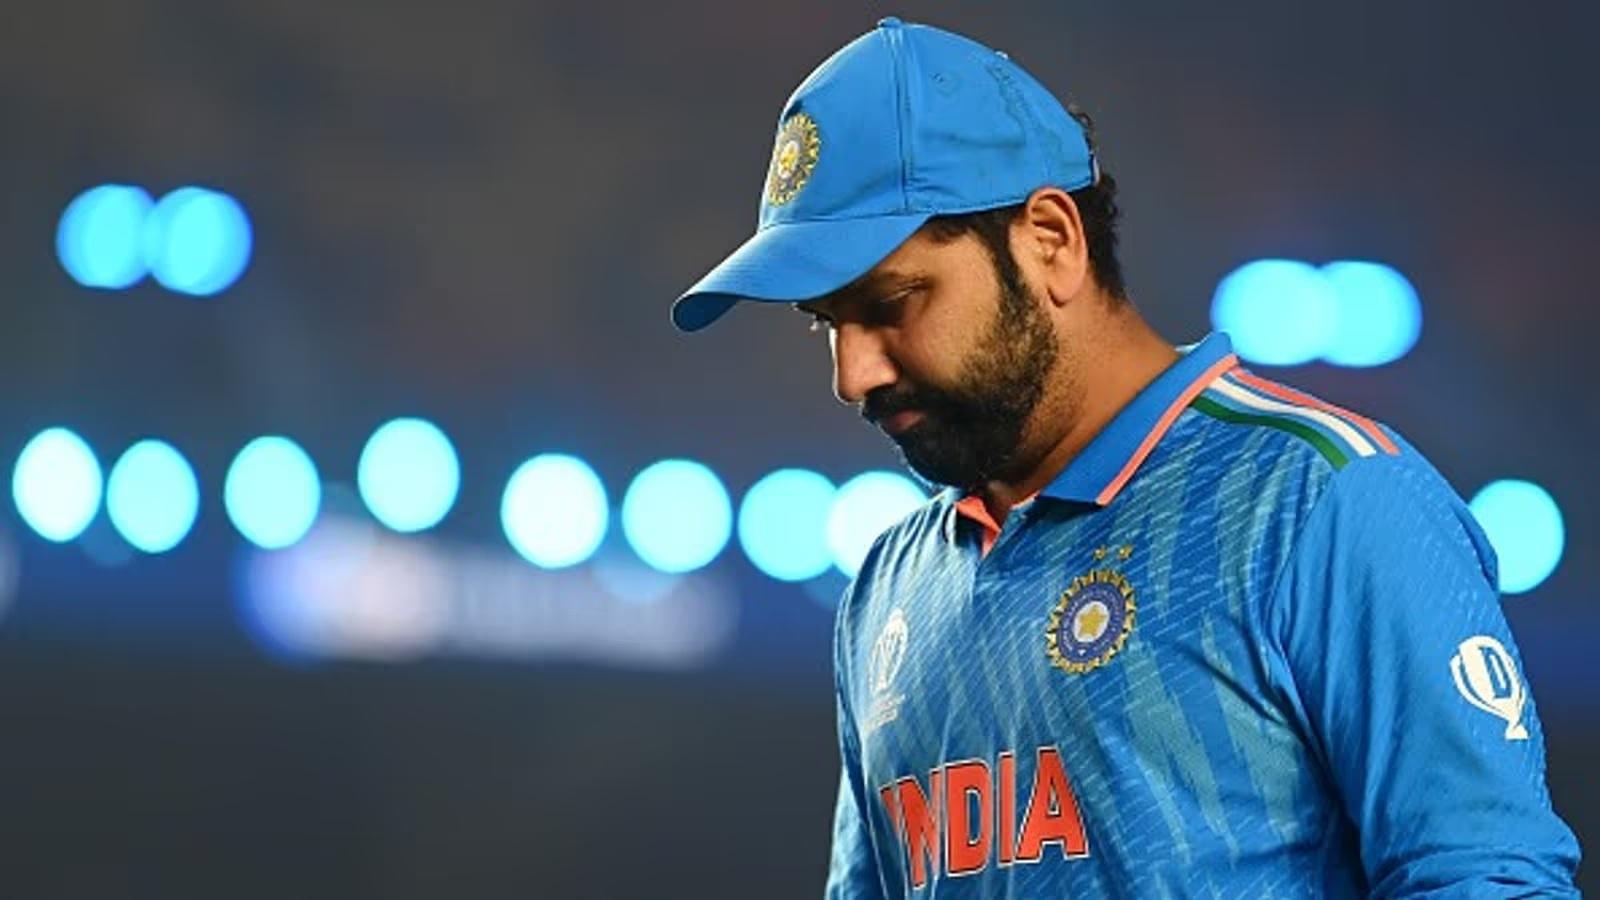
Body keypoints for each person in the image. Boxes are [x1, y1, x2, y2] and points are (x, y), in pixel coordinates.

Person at [671, 17, 1581, 898]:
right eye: (826, 324)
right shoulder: (887, 588)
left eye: (891, 304)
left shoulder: (1326, 499)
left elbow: (1485, 879)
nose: (852, 374)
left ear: (1051, 241)